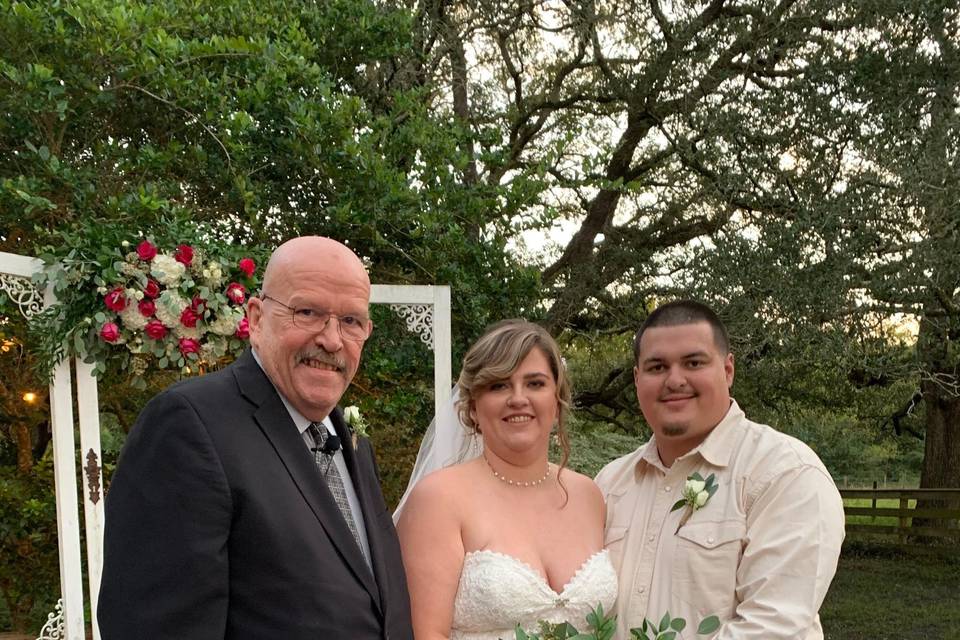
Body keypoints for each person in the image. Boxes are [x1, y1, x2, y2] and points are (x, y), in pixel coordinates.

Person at [98, 237, 413, 640]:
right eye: (308, 312)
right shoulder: (188, 426)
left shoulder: (349, 439)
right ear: (258, 318)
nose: (332, 340)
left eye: (351, 321)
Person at [595, 300, 845, 639]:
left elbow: (773, 628)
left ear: (728, 370)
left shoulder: (785, 473)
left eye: (693, 362)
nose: (674, 380)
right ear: (638, 379)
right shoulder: (610, 483)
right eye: (656, 367)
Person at [395, 320, 617, 640]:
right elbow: (426, 634)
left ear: (556, 401)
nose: (518, 398)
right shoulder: (439, 499)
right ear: (473, 408)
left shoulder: (588, 494)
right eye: (498, 385)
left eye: (535, 384)